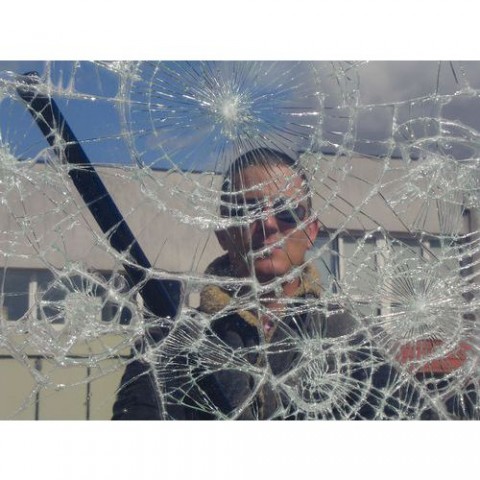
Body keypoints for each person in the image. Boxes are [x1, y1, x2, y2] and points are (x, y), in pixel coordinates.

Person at [112, 148, 476, 420]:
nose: (268, 224)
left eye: (287, 212)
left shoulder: (349, 338)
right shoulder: (171, 342)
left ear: (311, 230)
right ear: (224, 231)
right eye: (247, 210)